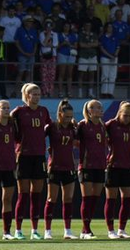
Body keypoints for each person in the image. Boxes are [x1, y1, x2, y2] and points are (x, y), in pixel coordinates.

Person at [12, 81, 51, 240]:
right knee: (23, 194)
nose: (36, 97)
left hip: (39, 156)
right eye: (33, 94)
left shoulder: (43, 111)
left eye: (38, 94)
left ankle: (35, 230)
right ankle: (18, 230)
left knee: (37, 194)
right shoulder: (18, 112)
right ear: (26, 95)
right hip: (23, 156)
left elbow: (51, 129)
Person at [75, 98, 109, 241]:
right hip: (87, 166)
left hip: (100, 165)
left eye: (100, 107)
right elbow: (75, 141)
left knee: (95, 198)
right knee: (87, 198)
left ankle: (85, 229)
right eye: (96, 107)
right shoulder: (83, 125)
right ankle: (86, 229)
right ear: (89, 111)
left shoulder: (103, 126)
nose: (100, 110)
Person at [104, 100, 130, 239]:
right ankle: (110, 230)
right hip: (113, 166)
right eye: (126, 115)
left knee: (127, 199)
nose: (128, 118)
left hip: (128, 166)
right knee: (111, 199)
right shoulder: (111, 124)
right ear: (120, 113)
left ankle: (121, 229)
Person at [45, 99, 78, 240]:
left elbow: (78, 142)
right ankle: (47, 230)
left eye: (71, 116)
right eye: (66, 116)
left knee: (68, 199)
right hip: (55, 166)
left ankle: (68, 231)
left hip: (69, 166)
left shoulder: (73, 128)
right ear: (60, 114)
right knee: (52, 198)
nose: (68, 119)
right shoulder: (52, 127)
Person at [0, 101, 16, 239]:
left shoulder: (12, 126)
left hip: (9, 167)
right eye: (3, 108)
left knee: (7, 199)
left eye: (7, 108)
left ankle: (6, 232)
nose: (6, 110)